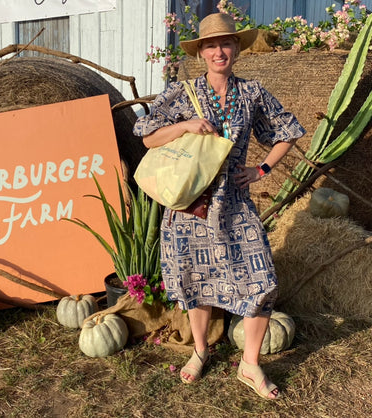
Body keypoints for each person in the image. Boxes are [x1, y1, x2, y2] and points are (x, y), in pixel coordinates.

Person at [133, 13, 305, 400]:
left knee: (261, 283)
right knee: (195, 279)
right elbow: (145, 136)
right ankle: (200, 350)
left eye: (226, 43)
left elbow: (288, 130)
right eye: (211, 45)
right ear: (201, 52)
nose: (219, 51)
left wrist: (261, 169)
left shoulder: (253, 93)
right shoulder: (182, 92)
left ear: (237, 49)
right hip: (190, 202)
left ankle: (250, 364)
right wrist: (184, 125)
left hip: (235, 203)